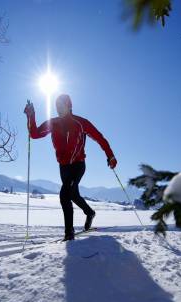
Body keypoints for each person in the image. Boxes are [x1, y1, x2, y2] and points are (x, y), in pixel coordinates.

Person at [24, 94, 117, 241]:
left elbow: (99, 138)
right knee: (73, 195)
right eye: (57, 106)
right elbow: (34, 134)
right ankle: (90, 213)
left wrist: (110, 155)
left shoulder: (81, 122)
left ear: (69, 106)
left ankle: (69, 233)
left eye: (62, 105)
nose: (59, 109)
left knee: (64, 195)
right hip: (63, 167)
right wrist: (31, 115)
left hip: (78, 165)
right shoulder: (53, 123)